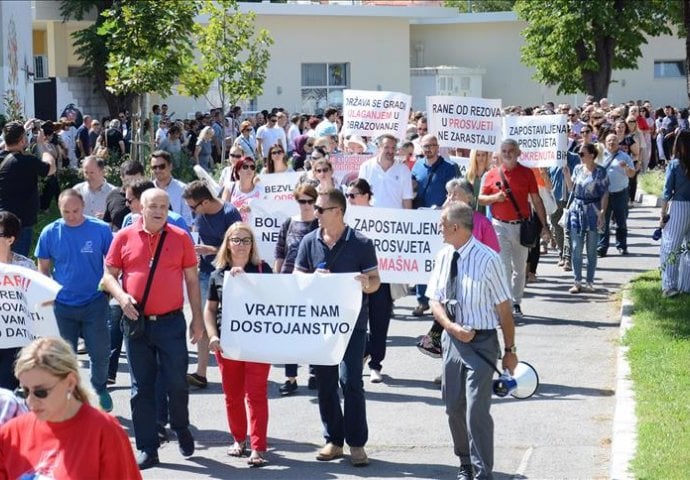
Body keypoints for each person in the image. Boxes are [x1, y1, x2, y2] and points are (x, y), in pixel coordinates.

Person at [102, 188, 203, 469]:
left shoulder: (181, 237)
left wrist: (197, 318)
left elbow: (192, 281)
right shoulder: (123, 237)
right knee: (140, 388)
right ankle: (148, 447)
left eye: (164, 206)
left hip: (171, 322)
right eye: (153, 206)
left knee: (177, 383)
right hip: (136, 324)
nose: (159, 211)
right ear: (140, 209)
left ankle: (180, 426)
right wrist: (121, 298)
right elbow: (108, 277)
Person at [427, 202, 516, 480]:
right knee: (453, 405)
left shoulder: (488, 259)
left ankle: (481, 472)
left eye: (442, 223)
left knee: (477, 408)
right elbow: (434, 300)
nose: (439, 227)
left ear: (455, 227)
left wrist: (510, 350)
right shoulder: (444, 256)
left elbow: (504, 309)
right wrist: (452, 327)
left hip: (482, 341)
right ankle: (464, 461)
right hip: (453, 340)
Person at [295, 188, 380, 467]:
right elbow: (297, 276)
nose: (315, 213)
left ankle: (357, 444)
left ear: (338, 212)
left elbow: (375, 280)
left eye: (320, 209)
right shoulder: (309, 241)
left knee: (351, 381)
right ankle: (333, 439)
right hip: (321, 325)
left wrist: (365, 283)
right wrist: (312, 279)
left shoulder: (361, 242)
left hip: (353, 324)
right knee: (326, 382)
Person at [0, 337, 141, 478]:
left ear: (70, 382)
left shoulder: (104, 431)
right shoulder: (10, 434)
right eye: (24, 391)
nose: (31, 401)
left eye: (40, 392)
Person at [35, 189, 114, 412]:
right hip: (63, 305)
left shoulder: (100, 230)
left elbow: (112, 261)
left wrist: (107, 290)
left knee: (99, 352)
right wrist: (47, 293)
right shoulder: (50, 232)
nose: (71, 215)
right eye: (66, 211)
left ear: (83, 206)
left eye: (76, 210)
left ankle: (99, 388)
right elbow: (43, 265)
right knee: (64, 356)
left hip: (94, 301)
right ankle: (72, 393)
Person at [205, 223, 273, 467]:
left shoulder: (264, 270)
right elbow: (210, 310)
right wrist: (212, 336)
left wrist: (248, 282)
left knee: (256, 395)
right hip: (228, 344)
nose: (241, 244)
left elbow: (277, 304)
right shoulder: (218, 274)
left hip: (258, 344)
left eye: (246, 240)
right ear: (228, 243)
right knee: (232, 395)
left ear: (252, 245)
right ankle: (238, 440)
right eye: (236, 239)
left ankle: (257, 447)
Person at [417, 179, 500, 358]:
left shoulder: (482, 222)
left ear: (469, 198)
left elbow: (494, 254)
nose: (451, 197)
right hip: (450, 282)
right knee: (449, 325)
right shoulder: (443, 218)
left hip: (474, 285)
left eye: (455, 194)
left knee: (470, 330)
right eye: (448, 194)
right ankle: (449, 363)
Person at [478, 139, 550, 318]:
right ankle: (507, 305)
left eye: (511, 150)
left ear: (518, 153)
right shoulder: (491, 174)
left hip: (521, 226)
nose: (507, 153)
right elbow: (480, 199)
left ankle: (516, 302)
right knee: (504, 267)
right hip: (499, 225)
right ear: (500, 153)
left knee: (519, 268)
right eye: (504, 151)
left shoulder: (527, 173)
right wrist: (495, 197)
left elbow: (536, 200)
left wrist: (545, 227)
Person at [182, 181, 242, 389]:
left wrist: (212, 250)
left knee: (227, 324)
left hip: (228, 276)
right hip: (206, 273)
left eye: (193, 207)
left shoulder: (229, 213)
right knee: (202, 322)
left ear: (205, 201)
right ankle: (201, 373)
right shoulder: (199, 213)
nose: (191, 211)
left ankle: (235, 371)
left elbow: (240, 246)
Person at [346, 179, 393, 384]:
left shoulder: (382, 217)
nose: (350, 199)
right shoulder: (345, 219)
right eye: (348, 195)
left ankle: (376, 365)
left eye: (353, 195)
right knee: (356, 324)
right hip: (355, 280)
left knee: (379, 322)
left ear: (366, 195)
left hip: (381, 278)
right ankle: (363, 353)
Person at [274, 184, 320, 395]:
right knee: (289, 332)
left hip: (313, 282)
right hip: (289, 281)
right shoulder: (289, 223)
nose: (307, 205)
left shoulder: (321, 225)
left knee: (311, 329)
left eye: (311, 201)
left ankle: (314, 372)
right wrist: (276, 281)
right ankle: (290, 377)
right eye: (303, 201)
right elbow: (280, 252)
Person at [411, 134, 460, 316]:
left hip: (442, 220)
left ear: (438, 147)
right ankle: (422, 300)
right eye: (425, 146)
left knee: (439, 261)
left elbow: (456, 192)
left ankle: (438, 300)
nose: (428, 149)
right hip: (420, 220)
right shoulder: (416, 166)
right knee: (421, 259)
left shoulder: (449, 168)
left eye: (432, 145)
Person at [0, 121, 56, 256]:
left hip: (2, 218)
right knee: (17, 264)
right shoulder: (27, 161)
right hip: (20, 222)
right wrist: (42, 144)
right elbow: (51, 168)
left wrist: (20, 132)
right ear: (23, 140)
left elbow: (6, 145)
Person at [563, 143, 609, 293]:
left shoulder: (600, 171)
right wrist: (567, 175)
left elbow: (604, 193)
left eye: (582, 154)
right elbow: (571, 189)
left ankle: (589, 281)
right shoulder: (577, 169)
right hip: (577, 210)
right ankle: (577, 281)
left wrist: (602, 212)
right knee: (576, 248)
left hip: (593, 211)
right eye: (579, 154)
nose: (579, 156)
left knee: (591, 249)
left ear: (591, 155)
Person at [0, 212, 37, 390]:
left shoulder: (26, 267)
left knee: (7, 387)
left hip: (14, 339)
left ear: (10, 239)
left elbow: (38, 304)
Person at [659, 130, 690, 297]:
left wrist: (662, 214)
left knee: (671, 247)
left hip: (678, 206)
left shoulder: (675, 164)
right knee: (688, 248)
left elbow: (666, 191)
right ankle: (686, 285)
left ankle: (669, 286)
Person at [597, 133, 636, 257]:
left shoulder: (624, 157)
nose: (611, 143)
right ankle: (602, 247)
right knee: (603, 221)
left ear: (618, 142)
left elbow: (632, 174)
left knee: (621, 221)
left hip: (620, 193)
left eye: (614, 140)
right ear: (605, 143)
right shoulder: (600, 157)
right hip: (604, 195)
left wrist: (626, 168)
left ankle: (621, 246)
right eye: (609, 141)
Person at [358, 134, 414, 209]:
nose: (390, 151)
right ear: (379, 148)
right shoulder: (366, 167)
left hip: (396, 218)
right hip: (371, 218)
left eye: (393, 148)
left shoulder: (404, 170)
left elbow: (407, 199)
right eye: (386, 147)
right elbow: (360, 196)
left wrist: (408, 218)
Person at [150, 150, 193, 228]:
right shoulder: (148, 189)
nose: (157, 170)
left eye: (161, 166)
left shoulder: (182, 189)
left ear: (170, 167)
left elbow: (188, 220)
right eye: (154, 167)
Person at [102, 160, 145, 232]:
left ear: (143, 177)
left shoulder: (154, 197)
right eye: (128, 181)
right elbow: (107, 223)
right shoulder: (113, 196)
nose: (132, 184)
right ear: (122, 178)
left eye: (136, 180)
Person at [221, 156, 262, 223]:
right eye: (245, 167)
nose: (249, 169)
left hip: (254, 230)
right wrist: (238, 210)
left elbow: (266, 210)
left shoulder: (260, 190)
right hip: (234, 229)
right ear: (238, 170)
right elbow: (223, 210)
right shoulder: (230, 187)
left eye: (252, 167)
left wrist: (253, 209)